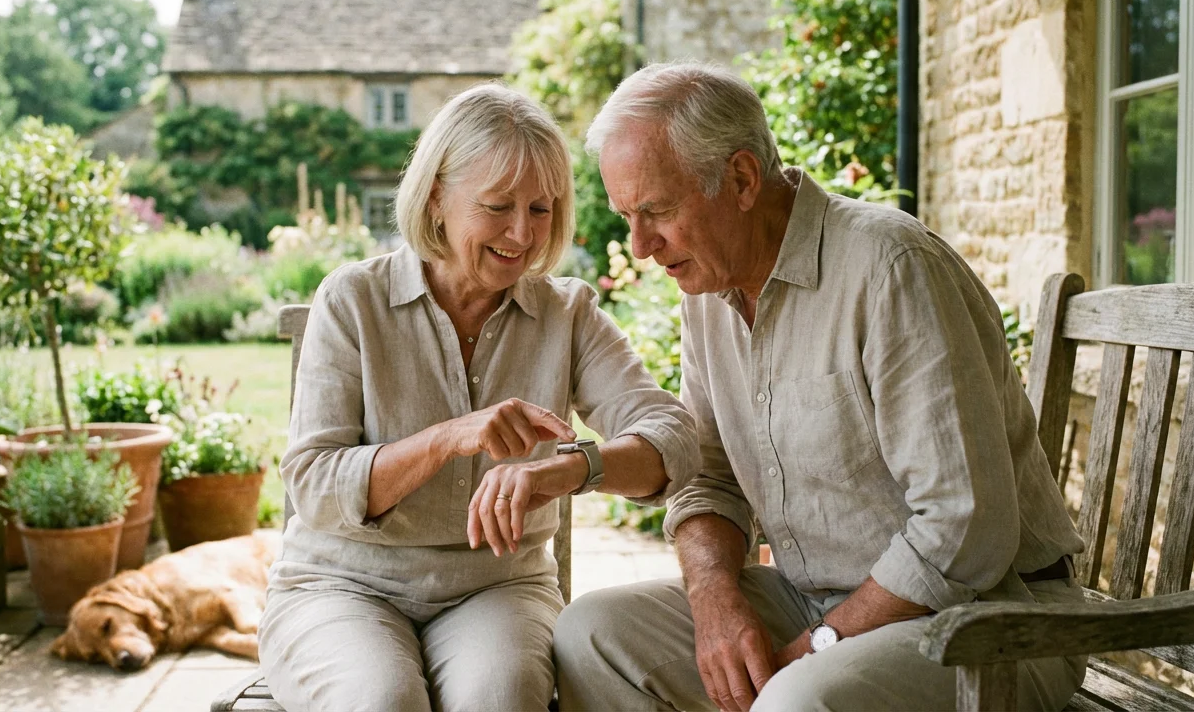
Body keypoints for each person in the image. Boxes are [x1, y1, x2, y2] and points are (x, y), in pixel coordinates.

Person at [553, 62, 1088, 711]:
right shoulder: (707, 289)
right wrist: (718, 603)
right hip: (816, 601)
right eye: (627, 216)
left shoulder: (891, 268)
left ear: (743, 179)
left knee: (795, 703)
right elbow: (709, 477)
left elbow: (963, 527)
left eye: (657, 211)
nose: (639, 245)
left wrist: (816, 646)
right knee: (592, 636)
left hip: (994, 619)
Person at [258, 82, 699, 712]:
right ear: (437, 196)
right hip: (341, 585)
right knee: (381, 700)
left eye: (542, 209)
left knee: (501, 697)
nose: (522, 234)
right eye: (497, 207)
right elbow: (314, 484)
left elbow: (672, 434)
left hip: (497, 587)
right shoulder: (353, 300)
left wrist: (574, 468)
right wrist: (447, 438)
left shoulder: (567, 313)